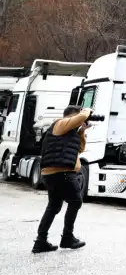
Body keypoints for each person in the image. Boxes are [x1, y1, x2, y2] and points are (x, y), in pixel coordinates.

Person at [34, 105, 92, 253]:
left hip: (54, 173)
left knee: (53, 206)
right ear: (72, 115)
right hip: (62, 173)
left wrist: (82, 131)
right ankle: (67, 238)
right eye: (78, 116)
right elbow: (81, 117)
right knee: (75, 201)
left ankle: (40, 241)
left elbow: (79, 149)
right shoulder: (60, 123)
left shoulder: (68, 131)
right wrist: (86, 111)